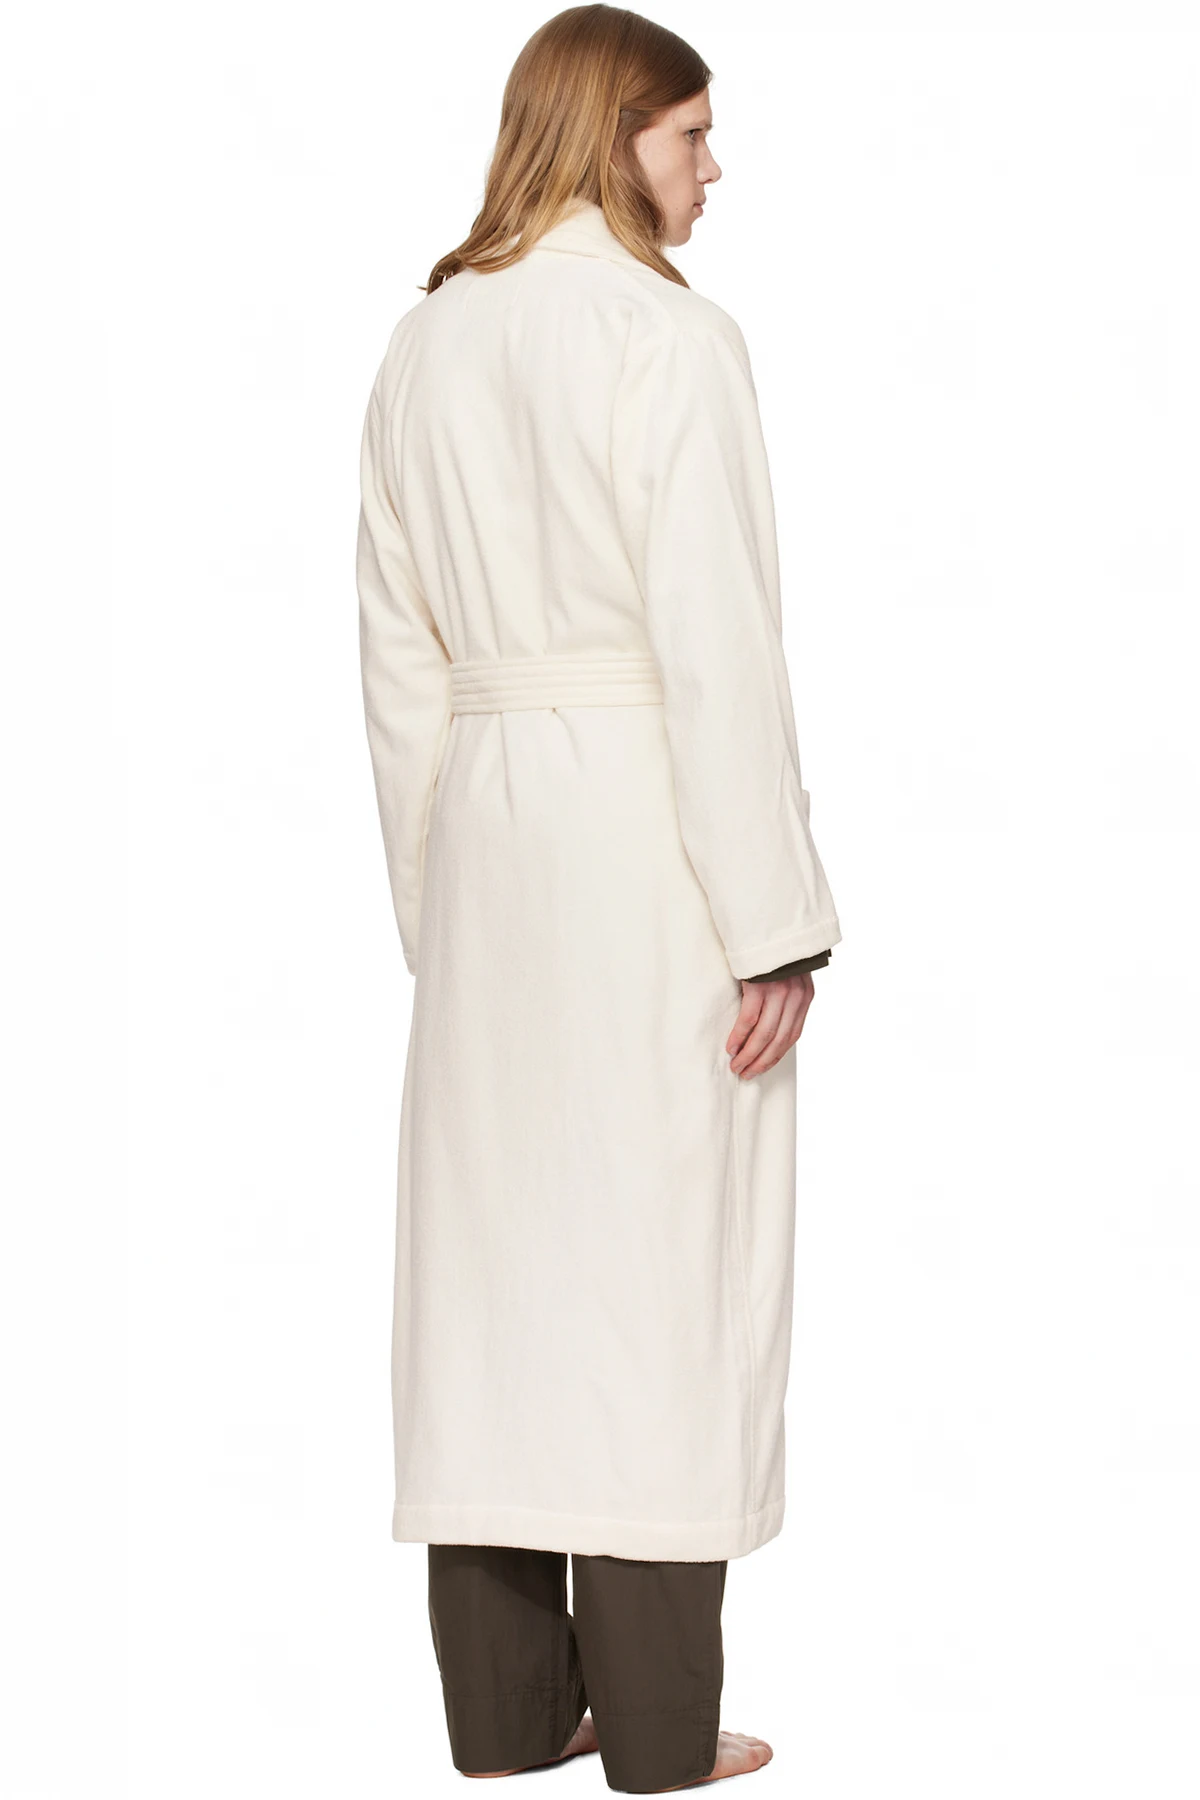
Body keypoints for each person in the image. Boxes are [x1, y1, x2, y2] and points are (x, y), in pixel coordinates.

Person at [355, 6, 842, 1791]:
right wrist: (774, 920)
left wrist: (440, 911)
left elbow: (397, 667)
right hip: (647, 846)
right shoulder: (670, 339)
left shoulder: (425, 342)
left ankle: (502, 1718)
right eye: (690, 135)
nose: (715, 168)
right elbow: (717, 648)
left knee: (493, 1280)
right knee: (658, 1274)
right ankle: (650, 1733)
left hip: (492, 850)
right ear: (607, 131)